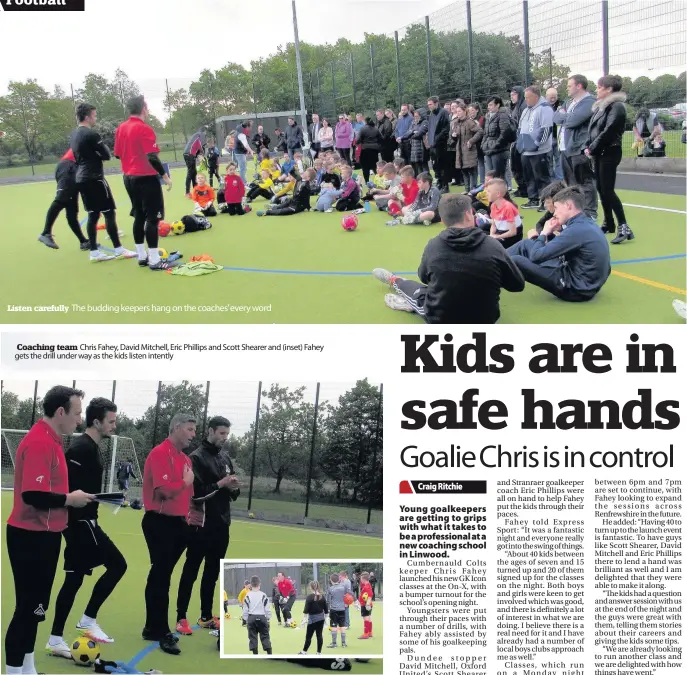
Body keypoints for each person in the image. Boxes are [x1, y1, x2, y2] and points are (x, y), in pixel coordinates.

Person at [5, 385, 92, 675]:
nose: (80, 420)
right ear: (60, 412)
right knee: (27, 609)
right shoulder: (40, 442)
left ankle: (27, 668)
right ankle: (14, 671)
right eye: (77, 413)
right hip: (30, 536)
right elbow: (33, 495)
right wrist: (70, 499)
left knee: (36, 609)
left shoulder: (53, 440)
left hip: (46, 535)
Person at [46, 398, 127, 658]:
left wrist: (112, 498)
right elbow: (68, 489)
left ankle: (55, 638)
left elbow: (86, 490)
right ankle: (88, 620)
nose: (114, 425)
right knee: (118, 565)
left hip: (85, 521)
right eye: (111, 421)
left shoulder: (94, 448)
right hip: (79, 524)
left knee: (74, 579)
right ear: (96, 421)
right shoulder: (81, 449)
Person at [373, 193, 525, 321]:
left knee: (419, 292)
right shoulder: (493, 245)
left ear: (443, 221)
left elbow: (424, 277)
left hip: (441, 318)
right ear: (467, 214)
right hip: (486, 318)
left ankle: (395, 281)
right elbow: (517, 285)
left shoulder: (434, 245)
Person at [175, 416, 240, 636]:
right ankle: (180, 617)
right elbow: (197, 494)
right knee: (191, 570)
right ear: (211, 431)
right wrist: (221, 484)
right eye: (222, 434)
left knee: (212, 572)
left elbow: (232, 493)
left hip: (222, 525)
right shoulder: (195, 458)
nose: (225, 438)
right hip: (201, 524)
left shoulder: (224, 457)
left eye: (227, 435)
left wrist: (233, 487)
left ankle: (205, 616)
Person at [141, 413, 196, 655]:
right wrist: (185, 483)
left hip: (178, 524)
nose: (193, 435)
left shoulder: (185, 459)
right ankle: (161, 630)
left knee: (160, 575)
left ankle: (151, 627)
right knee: (161, 576)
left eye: (195, 430)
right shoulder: (160, 453)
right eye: (190, 429)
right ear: (176, 428)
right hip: (159, 522)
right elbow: (164, 491)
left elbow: (188, 495)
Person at [509, 185, 611, 301]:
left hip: (575, 289)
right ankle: (492, 260)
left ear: (568, 205)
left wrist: (544, 233)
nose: (554, 213)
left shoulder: (575, 230)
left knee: (517, 261)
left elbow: (536, 256)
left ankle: (489, 271)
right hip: (587, 283)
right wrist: (551, 233)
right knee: (526, 244)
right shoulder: (585, 223)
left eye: (556, 207)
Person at [114, 94, 175, 271]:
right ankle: (155, 260)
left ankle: (142, 256)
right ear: (143, 109)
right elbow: (152, 157)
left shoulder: (121, 128)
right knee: (152, 219)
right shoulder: (144, 129)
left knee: (139, 215)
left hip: (128, 178)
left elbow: (117, 153)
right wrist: (164, 176)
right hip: (146, 178)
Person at [71, 103, 133, 263]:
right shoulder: (91, 134)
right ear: (87, 117)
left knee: (92, 214)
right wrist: (96, 155)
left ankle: (94, 252)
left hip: (81, 179)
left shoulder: (74, 134)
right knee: (109, 212)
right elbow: (106, 155)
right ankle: (119, 250)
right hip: (94, 178)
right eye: (94, 115)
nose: (95, 118)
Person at [586, 74, 634, 243]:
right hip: (600, 152)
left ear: (609, 89)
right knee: (601, 188)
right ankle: (608, 222)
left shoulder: (617, 106)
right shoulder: (601, 106)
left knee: (608, 189)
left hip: (610, 151)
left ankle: (624, 226)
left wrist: (592, 147)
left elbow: (609, 131)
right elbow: (593, 130)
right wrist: (588, 145)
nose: (597, 90)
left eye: (599, 87)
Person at [553, 75, 598, 220]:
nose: (567, 88)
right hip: (565, 149)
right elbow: (555, 117)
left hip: (578, 148)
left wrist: (564, 116)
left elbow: (573, 121)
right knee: (571, 184)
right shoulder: (569, 102)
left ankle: (590, 212)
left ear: (579, 86)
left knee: (584, 182)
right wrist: (564, 116)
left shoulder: (589, 102)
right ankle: (576, 212)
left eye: (569, 85)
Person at [38, 148, 89, 250]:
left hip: (74, 169)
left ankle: (83, 242)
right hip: (68, 168)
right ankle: (45, 233)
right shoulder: (89, 140)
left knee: (72, 209)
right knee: (62, 199)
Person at [517, 86, 554, 209]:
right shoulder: (526, 110)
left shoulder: (545, 108)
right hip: (525, 151)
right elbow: (520, 128)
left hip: (540, 152)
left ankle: (546, 202)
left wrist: (536, 145)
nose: (526, 100)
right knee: (529, 177)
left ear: (536, 97)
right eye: (525, 97)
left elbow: (546, 129)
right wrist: (520, 144)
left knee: (542, 178)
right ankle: (532, 199)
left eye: (528, 97)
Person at [482, 178, 523, 248]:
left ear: (498, 194)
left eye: (488, 191)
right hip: (501, 231)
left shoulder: (508, 207)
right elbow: (494, 224)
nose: (486, 193)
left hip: (512, 237)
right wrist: (492, 234)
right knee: (480, 231)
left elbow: (513, 232)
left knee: (487, 244)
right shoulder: (493, 205)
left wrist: (497, 236)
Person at [452, 103, 483, 192]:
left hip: (469, 150)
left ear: (464, 111)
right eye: (457, 111)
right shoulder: (456, 123)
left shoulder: (469, 122)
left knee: (472, 171)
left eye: (459, 111)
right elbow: (454, 137)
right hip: (460, 151)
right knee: (464, 171)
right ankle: (467, 189)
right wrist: (453, 136)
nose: (458, 113)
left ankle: (473, 190)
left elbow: (480, 131)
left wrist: (471, 141)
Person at [481, 96, 512, 181]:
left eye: (491, 105)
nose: (488, 107)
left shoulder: (503, 116)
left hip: (499, 151)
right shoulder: (488, 117)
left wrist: (495, 145)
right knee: (491, 176)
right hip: (488, 150)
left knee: (499, 177)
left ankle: (503, 193)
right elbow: (485, 133)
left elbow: (504, 133)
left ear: (497, 105)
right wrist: (483, 145)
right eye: (488, 105)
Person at [426, 97, 451, 192]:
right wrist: (430, 141)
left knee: (443, 165)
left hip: (441, 144)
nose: (429, 106)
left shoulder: (443, 112)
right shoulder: (432, 114)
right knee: (436, 166)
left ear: (436, 103)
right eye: (428, 105)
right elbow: (430, 129)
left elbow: (445, 128)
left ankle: (445, 186)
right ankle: (440, 184)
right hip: (433, 145)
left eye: (430, 104)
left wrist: (437, 138)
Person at [243, 576, 272, 655]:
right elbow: (267, 608)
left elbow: (245, 609)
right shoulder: (263, 595)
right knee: (265, 636)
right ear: (259, 584)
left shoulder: (248, 595)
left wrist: (245, 619)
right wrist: (268, 618)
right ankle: (269, 654)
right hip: (262, 617)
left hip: (251, 618)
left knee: (252, 637)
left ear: (250, 585)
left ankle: (255, 655)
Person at [298, 580, 328, 656]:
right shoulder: (322, 596)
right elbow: (326, 609)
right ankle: (319, 652)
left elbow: (306, 609)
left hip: (312, 620)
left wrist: (304, 619)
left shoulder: (309, 597)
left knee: (308, 636)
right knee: (319, 635)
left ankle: (304, 651)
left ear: (310, 587)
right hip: (321, 619)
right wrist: (326, 620)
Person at [509, 86, 527, 196]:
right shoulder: (515, 107)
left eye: (514, 94)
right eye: (511, 95)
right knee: (515, 167)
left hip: (521, 141)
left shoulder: (523, 106)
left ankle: (524, 190)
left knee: (520, 167)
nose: (511, 97)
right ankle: (521, 188)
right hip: (516, 141)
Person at [403, 108, 429, 177]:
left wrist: (412, 133)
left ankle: (427, 179)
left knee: (423, 164)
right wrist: (413, 132)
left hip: (422, 146)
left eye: (417, 116)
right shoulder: (413, 122)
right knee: (417, 165)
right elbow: (408, 133)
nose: (415, 118)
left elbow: (420, 132)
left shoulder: (425, 122)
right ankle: (420, 180)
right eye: (415, 116)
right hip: (414, 147)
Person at [545, 87, 564, 181]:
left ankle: (559, 181)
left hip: (559, 138)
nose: (553, 99)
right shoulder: (543, 107)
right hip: (547, 138)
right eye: (550, 97)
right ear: (546, 96)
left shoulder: (562, 105)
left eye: (554, 96)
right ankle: (550, 181)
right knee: (548, 161)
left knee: (559, 161)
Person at [325, 574, 347, 649]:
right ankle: (343, 643)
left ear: (331, 580)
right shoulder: (343, 587)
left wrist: (327, 610)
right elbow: (349, 596)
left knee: (334, 626)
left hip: (334, 610)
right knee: (342, 626)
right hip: (342, 609)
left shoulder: (330, 589)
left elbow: (327, 601)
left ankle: (334, 644)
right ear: (339, 580)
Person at [183, 127, 207, 195]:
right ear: (204, 132)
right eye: (205, 132)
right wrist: (202, 154)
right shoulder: (200, 136)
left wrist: (198, 155)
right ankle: (187, 192)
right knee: (190, 172)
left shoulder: (195, 136)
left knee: (194, 172)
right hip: (190, 155)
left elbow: (196, 147)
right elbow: (200, 148)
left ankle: (196, 190)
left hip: (187, 154)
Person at [357, 118, 382, 183]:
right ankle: (379, 180)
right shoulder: (376, 129)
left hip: (365, 150)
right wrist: (378, 146)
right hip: (374, 150)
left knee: (365, 167)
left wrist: (358, 143)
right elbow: (381, 139)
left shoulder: (362, 129)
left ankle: (367, 181)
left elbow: (358, 139)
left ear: (365, 122)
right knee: (375, 166)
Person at [357, 572, 374, 640]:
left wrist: (367, 604)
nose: (360, 580)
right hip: (367, 604)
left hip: (365, 605)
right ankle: (370, 632)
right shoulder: (367, 585)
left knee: (366, 619)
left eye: (361, 579)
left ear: (363, 579)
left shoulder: (367, 586)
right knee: (369, 618)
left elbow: (370, 595)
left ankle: (365, 634)